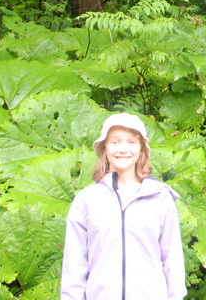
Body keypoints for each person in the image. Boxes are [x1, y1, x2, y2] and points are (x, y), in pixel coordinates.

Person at [61, 113, 187, 300]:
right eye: (115, 142)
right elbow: (74, 263)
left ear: (141, 149)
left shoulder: (160, 197)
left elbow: (172, 259)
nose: (123, 149)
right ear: (104, 148)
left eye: (131, 142)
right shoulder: (86, 199)